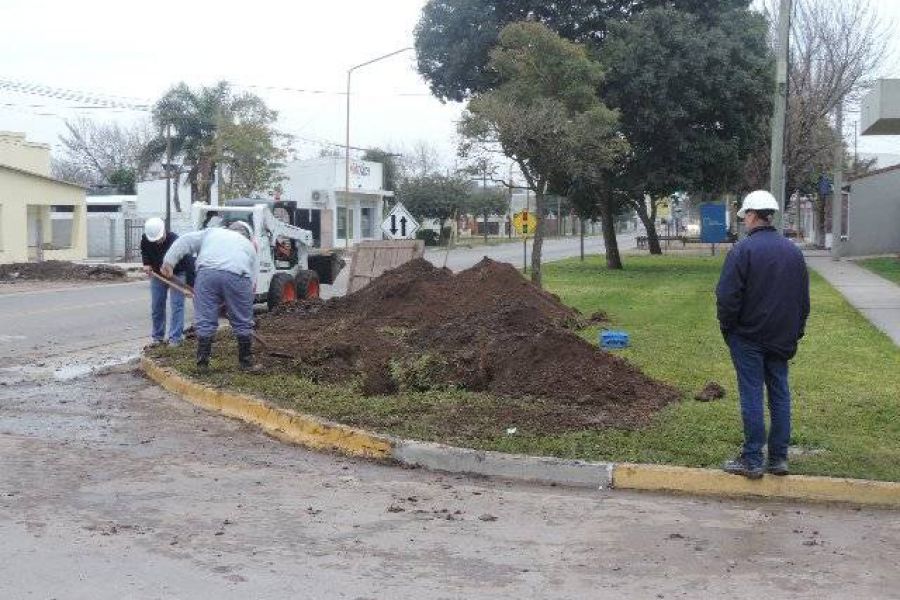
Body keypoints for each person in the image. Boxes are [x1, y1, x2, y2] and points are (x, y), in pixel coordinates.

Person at [716, 190, 810, 479]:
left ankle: (753, 459)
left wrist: (729, 329)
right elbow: (802, 300)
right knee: (780, 393)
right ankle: (779, 458)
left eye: (745, 216)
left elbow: (727, 297)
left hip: (747, 338)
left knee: (752, 394)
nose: (745, 220)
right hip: (781, 338)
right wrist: (795, 332)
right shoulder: (793, 251)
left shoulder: (742, 251)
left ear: (753, 216)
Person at [161, 221, 260, 372]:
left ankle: (202, 364)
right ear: (248, 235)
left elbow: (184, 241)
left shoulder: (212, 232)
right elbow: (252, 283)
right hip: (238, 276)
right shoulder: (249, 246)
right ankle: (245, 363)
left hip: (207, 274)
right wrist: (238, 308)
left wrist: (169, 262)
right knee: (242, 322)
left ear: (228, 228)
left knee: (205, 320)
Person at [140, 217, 195, 347]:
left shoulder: (176, 240)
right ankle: (157, 337)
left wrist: (190, 286)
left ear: (164, 230)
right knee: (157, 306)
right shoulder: (146, 238)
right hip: (158, 274)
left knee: (177, 305)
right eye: (155, 240)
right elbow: (145, 251)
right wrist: (146, 263)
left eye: (160, 238)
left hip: (177, 273)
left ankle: (175, 338)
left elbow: (189, 263)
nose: (158, 242)